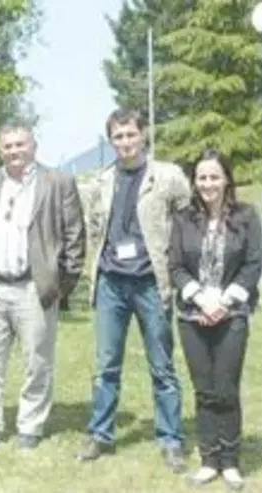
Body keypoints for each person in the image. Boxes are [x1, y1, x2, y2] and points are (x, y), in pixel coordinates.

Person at [0, 122, 86, 452]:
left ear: (33, 145)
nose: (14, 151)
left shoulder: (58, 182)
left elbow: (75, 236)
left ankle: (30, 424)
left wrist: (62, 284)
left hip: (35, 287)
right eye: (8, 146)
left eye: (20, 144)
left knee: (37, 361)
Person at [77, 108, 191, 472]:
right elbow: (94, 226)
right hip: (112, 282)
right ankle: (100, 434)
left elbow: (188, 224)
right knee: (106, 365)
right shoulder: (103, 179)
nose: (125, 142)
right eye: (118, 136)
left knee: (162, 367)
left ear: (143, 135)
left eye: (130, 134)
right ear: (111, 140)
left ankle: (171, 439)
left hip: (151, 284)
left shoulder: (168, 176)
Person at [169, 150, 262, 491]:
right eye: (202, 177)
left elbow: (253, 265)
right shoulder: (182, 219)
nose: (208, 183)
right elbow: (176, 266)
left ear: (226, 179)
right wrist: (200, 297)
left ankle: (230, 460)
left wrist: (223, 300)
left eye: (214, 176)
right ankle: (209, 460)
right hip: (192, 315)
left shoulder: (246, 216)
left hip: (232, 313)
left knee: (226, 388)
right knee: (204, 389)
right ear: (195, 182)